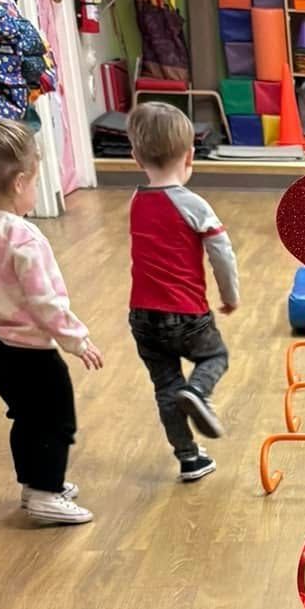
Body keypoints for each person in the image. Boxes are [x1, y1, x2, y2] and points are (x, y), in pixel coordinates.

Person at [0, 110, 101, 527]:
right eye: (34, 181)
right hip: (30, 352)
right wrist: (77, 339)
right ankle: (46, 493)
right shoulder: (22, 236)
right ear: (19, 183)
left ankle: (37, 485)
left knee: (26, 418)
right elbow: (44, 301)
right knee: (56, 419)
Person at [125, 102, 239, 485]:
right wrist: (230, 295)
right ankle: (199, 392)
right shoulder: (192, 204)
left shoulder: (136, 202)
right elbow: (221, 253)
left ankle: (189, 458)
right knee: (215, 356)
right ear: (190, 156)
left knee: (165, 387)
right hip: (185, 313)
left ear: (135, 156)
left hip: (142, 315)